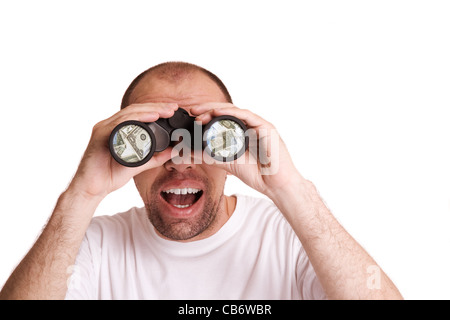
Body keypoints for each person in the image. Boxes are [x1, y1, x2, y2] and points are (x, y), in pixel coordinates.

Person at [0, 62, 402, 300]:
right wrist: (80, 195)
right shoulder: (91, 244)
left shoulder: (292, 234)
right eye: (153, 137)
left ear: (235, 147)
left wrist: (288, 188)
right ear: (121, 145)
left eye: (203, 137)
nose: (180, 161)